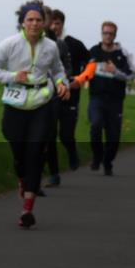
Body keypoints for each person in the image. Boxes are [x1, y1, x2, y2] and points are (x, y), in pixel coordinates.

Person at [0, 0, 69, 229]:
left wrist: (62, 83)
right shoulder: (9, 44)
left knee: (35, 154)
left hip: (42, 104)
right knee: (20, 154)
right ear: (22, 22)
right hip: (15, 104)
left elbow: (58, 70)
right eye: (30, 19)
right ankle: (23, 179)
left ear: (45, 23)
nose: (34, 23)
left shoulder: (51, 46)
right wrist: (13, 76)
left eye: (38, 20)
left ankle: (27, 209)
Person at [73, 21, 134, 176]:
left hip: (115, 100)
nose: (107, 36)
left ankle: (108, 162)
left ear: (115, 35)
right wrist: (79, 80)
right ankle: (97, 156)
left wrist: (115, 71)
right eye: (105, 33)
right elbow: (85, 70)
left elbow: (131, 75)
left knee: (113, 137)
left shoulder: (123, 54)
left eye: (110, 33)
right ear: (101, 34)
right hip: (97, 97)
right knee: (95, 125)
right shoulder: (93, 51)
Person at [49, 9, 89, 171]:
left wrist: (80, 80)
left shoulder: (75, 44)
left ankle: (72, 152)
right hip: (48, 96)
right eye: (51, 23)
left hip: (70, 96)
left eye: (57, 23)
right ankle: (53, 173)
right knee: (48, 136)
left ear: (62, 25)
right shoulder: (42, 43)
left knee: (65, 135)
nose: (53, 27)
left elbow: (91, 64)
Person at [41, 6, 73, 187]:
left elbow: (67, 68)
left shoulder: (58, 44)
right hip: (29, 94)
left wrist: (58, 81)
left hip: (51, 96)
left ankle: (53, 173)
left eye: (44, 18)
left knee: (49, 135)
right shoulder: (25, 42)